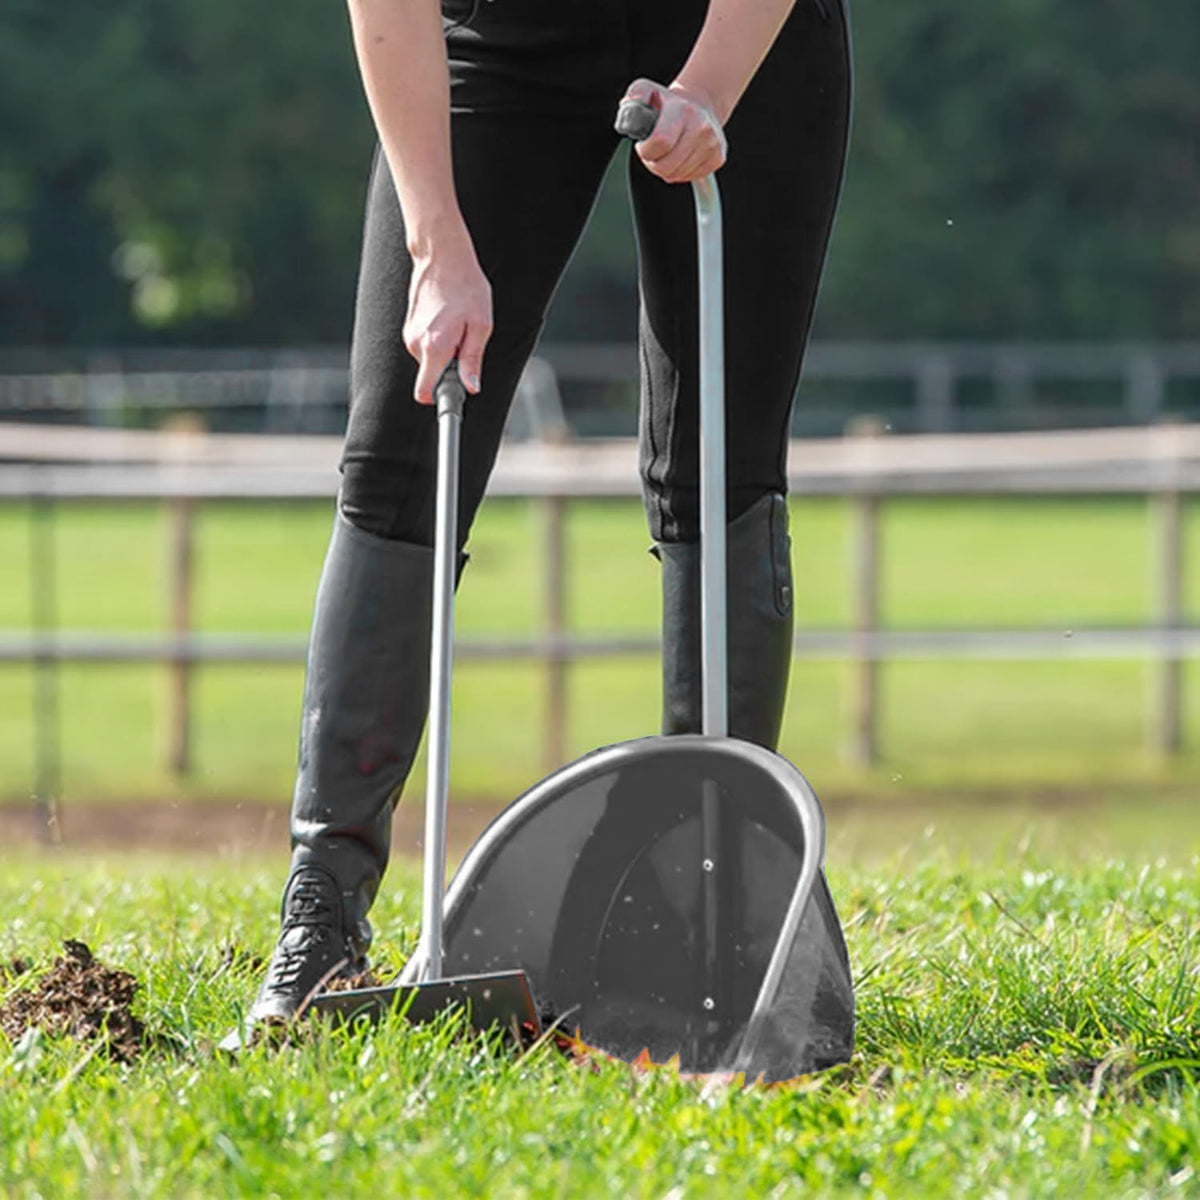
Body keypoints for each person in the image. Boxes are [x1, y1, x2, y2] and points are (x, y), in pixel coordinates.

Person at [247, 0, 853, 1027]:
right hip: (506, 32)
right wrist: (437, 239)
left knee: (720, 459)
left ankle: (713, 899)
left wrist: (707, 88)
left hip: (737, 30)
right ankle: (322, 920)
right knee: (402, 447)